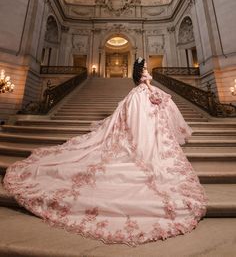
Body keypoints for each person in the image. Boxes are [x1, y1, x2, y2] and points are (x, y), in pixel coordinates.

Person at [3, 58, 207, 246]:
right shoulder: (141, 86)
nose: (146, 69)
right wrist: (152, 92)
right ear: (140, 71)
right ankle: (140, 141)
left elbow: (148, 86)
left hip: (144, 96)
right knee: (139, 123)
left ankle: (146, 139)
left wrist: (153, 94)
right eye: (144, 68)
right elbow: (146, 84)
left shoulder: (139, 87)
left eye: (145, 67)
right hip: (142, 97)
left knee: (148, 123)